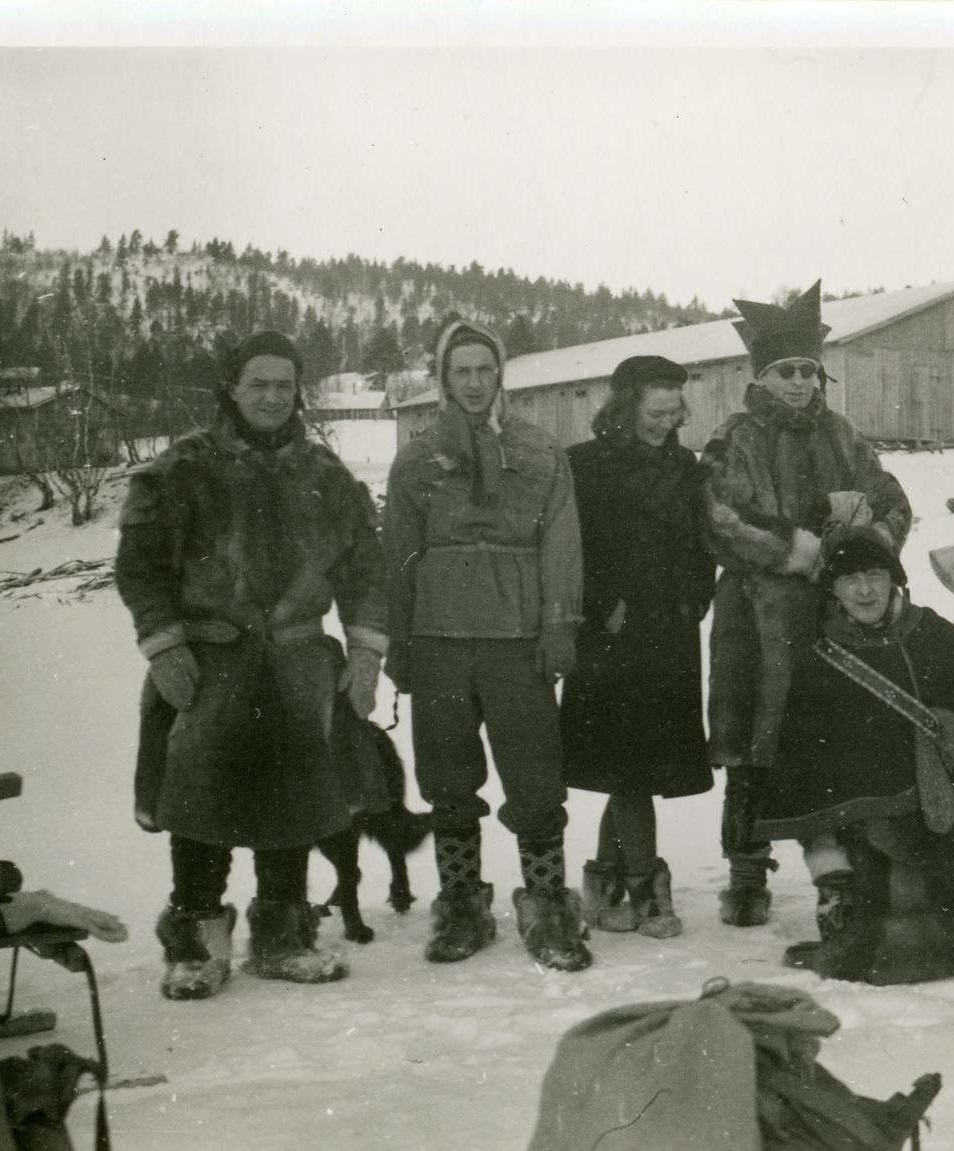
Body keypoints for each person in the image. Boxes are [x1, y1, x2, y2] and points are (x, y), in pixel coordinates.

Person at [119, 330, 386, 1000]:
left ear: (299, 391)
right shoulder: (182, 470)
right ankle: (196, 945)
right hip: (210, 663)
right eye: (258, 384)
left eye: (284, 385)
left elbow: (365, 568)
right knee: (201, 798)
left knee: (294, 800)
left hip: (299, 661)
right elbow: (140, 567)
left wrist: (365, 649)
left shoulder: (326, 476)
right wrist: (164, 645)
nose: (271, 397)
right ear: (231, 389)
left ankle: (283, 936)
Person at [754, 529, 954, 985]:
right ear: (833, 591)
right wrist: (832, 877)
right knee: (893, 928)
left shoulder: (933, 637)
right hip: (872, 833)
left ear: (893, 580)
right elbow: (807, 780)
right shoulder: (820, 660)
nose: (864, 590)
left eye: (874, 575)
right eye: (850, 580)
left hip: (950, 813)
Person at [383, 317, 591, 971]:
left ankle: (549, 901)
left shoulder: (538, 450)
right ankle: (462, 901)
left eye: (485, 370)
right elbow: (397, 555)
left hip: (516, 636)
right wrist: (399, 641)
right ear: (444, 379)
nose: (474, 383)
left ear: (501, 375)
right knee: (447, 775)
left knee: (534, 775)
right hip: (439, 635)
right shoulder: (416, 458)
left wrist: (559, 625)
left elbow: (562, 541)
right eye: (461, 371)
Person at [701, 281, 912, 926]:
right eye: (784, 373)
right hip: (757, 613)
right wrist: (790, 544)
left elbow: (892, 499)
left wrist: (864, 537)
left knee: (833, 737)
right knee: (751, 740)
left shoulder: (844, 435)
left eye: (807, 372)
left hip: (834, 611)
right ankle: (745, 870)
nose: (798, 383)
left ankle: (843, 868)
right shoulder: (735, 436)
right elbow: (717, 513)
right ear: (761, 378)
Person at [561, 355, 717, 938]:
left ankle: (606, 886)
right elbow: (568, 547)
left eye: (675, 410)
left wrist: (696, 598)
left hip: (669, 633)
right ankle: (646, 889)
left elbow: (705, 545)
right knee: (629, 769)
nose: (666, 423)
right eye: (656, 411)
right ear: (625, 405)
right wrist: (603, 604)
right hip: (609, 635)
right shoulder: (582, 464)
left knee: (638, 767)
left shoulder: (686, 467)